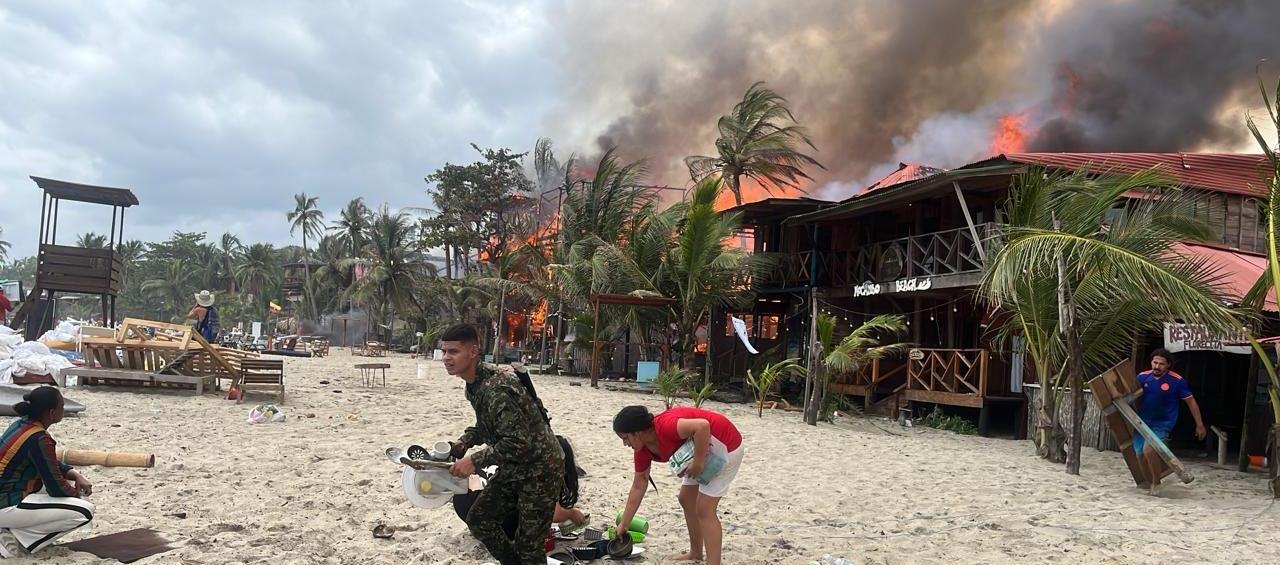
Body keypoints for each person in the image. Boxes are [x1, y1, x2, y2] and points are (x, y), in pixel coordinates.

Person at [440, 324, 564, 565]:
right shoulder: (475, 383)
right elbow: (488, 425)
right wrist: (464, 442)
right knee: (480, 520)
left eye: (453, 352)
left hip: (540, 468)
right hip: (514, 465)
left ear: (473, 351)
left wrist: (474, 461)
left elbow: (518, 442)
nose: (446, 358)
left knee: (530, 548)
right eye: (444, 351)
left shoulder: (497, 389)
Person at [613, 405, 744, 565]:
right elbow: (639, 484)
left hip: (724, 445)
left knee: (704, 509)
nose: (625, 444)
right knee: (687, 499)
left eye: (625, 438)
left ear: (638, 432)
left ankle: (713, 562)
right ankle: (695, 553)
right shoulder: (642, 449)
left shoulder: (665, 426)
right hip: (699, 449)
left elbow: (702, 426)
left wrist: (698, 461)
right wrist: (624, 524)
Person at [0, 387, 94, 557]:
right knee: (84, 511)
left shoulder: (22, 424)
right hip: (5, 502)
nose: (64, 410)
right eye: (62, 406)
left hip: (7, 493)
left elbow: (47, 462)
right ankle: (15, 539)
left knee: (56, 495)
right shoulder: (40, 438)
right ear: (52, 413)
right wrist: (78, 495)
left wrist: (74, 474)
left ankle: (11, 532)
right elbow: (56, 488)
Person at [1134, 348, 1206, 495]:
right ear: (1151, 362)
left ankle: (1156, 482)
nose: (1157, 366)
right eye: (1155, 362)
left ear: (1168, 365)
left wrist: (1199, 425)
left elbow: (1191, 402)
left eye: (1161, 364)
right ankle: (1150, 483)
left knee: (1149, 449)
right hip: (1142, 422)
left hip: (1163, 423)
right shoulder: (1142, 377)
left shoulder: (1177, 381)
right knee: (1140, 455)